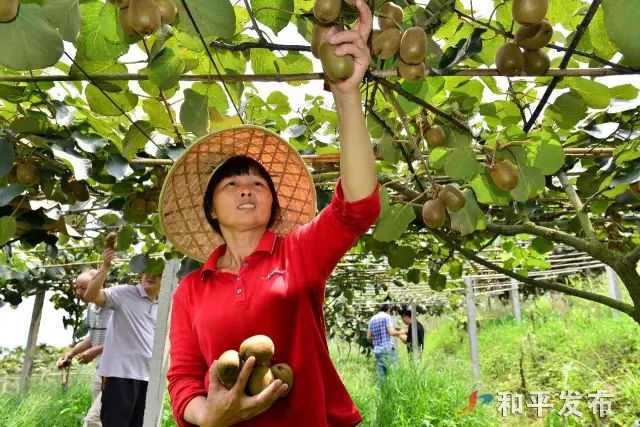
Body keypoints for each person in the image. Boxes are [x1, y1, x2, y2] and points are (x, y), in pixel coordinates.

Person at [161, 1, 378, 425]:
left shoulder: (297, 253)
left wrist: (347, 94)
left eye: (258, 183)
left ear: (272, 205)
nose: (246, 189)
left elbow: (357, 208)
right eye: (231, 183)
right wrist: (210, 416)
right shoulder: (190, 290)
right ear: (211, 209)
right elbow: (183, 378)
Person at [83, 248, 163, 427]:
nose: (151, 275)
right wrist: (104, 267)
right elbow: (90, 296)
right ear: (141, 272)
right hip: (120, 375)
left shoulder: (165, 305)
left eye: (157, 272)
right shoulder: (124, 293)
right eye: (147, 271)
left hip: (149, 378)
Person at [56, 269, 112, 427]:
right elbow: (91, 337)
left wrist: (97, 350)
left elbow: (124, 339)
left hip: (116, 372)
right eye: (77, 287)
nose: (79, 292)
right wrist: (71, 354)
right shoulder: (91, 309)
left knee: (92, 421)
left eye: (84, 288)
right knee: (103, 420)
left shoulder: (114, 306)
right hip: (99, 370)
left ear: (98, 285)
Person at [367, 304, 404, 380]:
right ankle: (393, 390)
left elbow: (368, 337)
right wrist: (402, 331)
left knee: (381, 375)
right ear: (388, 310)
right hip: (387, 348)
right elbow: (391, 332)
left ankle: (382, 391)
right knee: (393, 372)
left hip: (377, 350)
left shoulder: (372, 319)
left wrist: (377, 339)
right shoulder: (387, 317)